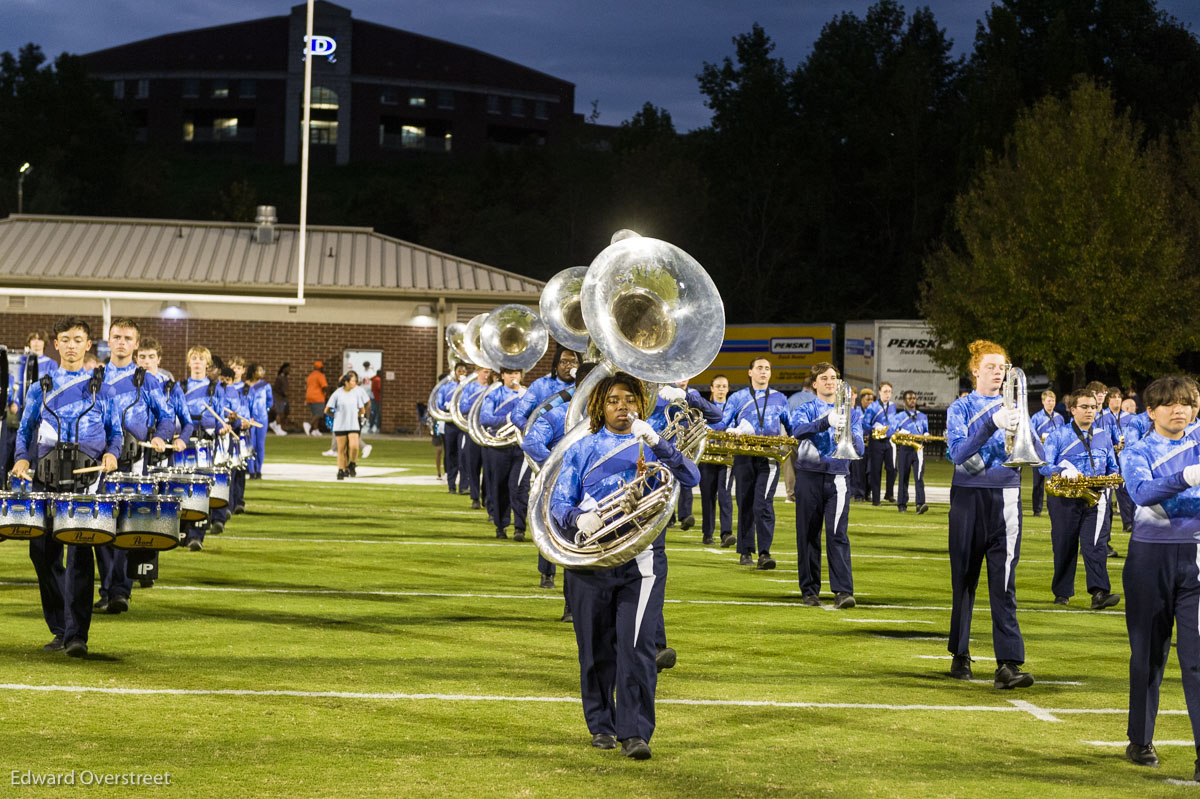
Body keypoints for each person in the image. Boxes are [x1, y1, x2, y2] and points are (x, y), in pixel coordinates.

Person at [550, 371, 699, 760]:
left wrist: (657, 443)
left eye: (630, 399)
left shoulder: (653, 443)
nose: (622, 406)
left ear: (641, 405)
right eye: (613, 400)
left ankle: (635, 733)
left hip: (641, 561)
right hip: (591, 561)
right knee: (595, 650)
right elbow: (558, 503)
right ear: (600, 405)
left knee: (637, 649)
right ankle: (601, 724)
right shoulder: (582, 447)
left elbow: (691, 476)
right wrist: (577, 519)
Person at [10, 317, 121, 658]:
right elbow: (25, 431)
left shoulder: (102, 388)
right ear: (55, 344)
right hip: (45, 477)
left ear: (89, 345)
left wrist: (112, 454)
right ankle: (60, 626)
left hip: (85, 479)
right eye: (65, 340)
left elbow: (115, 433)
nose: (71, 345)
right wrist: (22, 458)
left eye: (78, 340)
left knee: (80, 555)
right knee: (41, 553)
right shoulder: (39, 387)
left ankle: (76, 635)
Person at [944, 340, 1037, 689]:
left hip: (1007, 499)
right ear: (975, 371)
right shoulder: (961, 408)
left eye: (1003, 367)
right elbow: (957, 454)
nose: (999, 372)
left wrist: (1064, 469)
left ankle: (1008, 663)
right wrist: (991, 424)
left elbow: (1034, 450)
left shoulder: (1014, 406)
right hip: (968, 500)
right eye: (991, 367)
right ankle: (960, 653)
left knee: (1004, 584)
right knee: (964, 580)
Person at [1119, 375, 1200, 778]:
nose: (1179, 409)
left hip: (1197, 557)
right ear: (1150, 411)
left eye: (1186, 402)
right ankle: (1140, 738)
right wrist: (1185, 479)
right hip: (1150, 559)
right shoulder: (1137, 449)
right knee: (1148, 656)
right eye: (1169, 403)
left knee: (1198, 659)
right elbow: (1141, 491)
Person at [95, 318, 174, 615]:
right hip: (99, 462)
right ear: (109, 340)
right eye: (116, 337)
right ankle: (108, 588)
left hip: (134, 460)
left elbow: (166, 417)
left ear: (136, 344)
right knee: (99, 527)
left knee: (125, 526)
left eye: (128, 338)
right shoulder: (95, 377)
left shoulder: (148, 380)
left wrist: (160, 436)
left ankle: (120, 591)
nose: (121, 342)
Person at [789, 362, 864, 608]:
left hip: (839, 477)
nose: (829, 382)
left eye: (833, 377)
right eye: (824, 378)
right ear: (815, 383)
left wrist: (848, 430)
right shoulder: (807, 407)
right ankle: (809, 590)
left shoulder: (852, 411)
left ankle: (843, 591)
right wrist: (825, 422)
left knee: (837, 534)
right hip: (809, 476)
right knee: (808, 534)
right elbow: (797, 431)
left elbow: (860, 448)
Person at [1038, 389, 1121, 609]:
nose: (1090, 411)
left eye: (1093, 407)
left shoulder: (1103, 434)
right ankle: (1062, 592)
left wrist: (1113, 475)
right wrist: (1060, 471)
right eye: (1084, 407)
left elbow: (1112, 464)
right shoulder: (1058, 435)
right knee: (1064, 544)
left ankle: (1100, 593)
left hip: (1096, 496)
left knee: (1095, 545)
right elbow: (1043, 466)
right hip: (1065, 497)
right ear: (1072, 409)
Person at [717, 357, 792, 567]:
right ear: (750, 372)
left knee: (764, 504)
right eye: (759, 368)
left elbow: (791, 424)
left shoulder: (780, 398)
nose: (763, 372)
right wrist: (731, 430)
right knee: (745, 503)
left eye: (767, 369)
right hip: (743, 455)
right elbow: (723, 423)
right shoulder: (738, 397)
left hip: (769, 456)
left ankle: (765, 553)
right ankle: (746, 551)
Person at [180, 346, 232, 550]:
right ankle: (182, 531)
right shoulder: (180, 387)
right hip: (184, 443)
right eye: (194, 358)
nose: (197, 362)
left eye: (201, 359)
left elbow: (220, 417)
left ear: (207, 364)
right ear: (188, 362)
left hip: (205, 444)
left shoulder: (215, 389)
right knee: (182, 487)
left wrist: (222, 427)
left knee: (199, 490)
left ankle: (196, 535)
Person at [480, 366, 528, 540]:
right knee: (499, 487)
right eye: (509, 373)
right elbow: (484, 419)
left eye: (516, 373)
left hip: (521, 447)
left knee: (519, 488)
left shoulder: (528, 395)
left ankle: (520, 528)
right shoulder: (494, 395)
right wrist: (507, 419)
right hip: (499, 446)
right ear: (502, 376)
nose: (513, 376)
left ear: (521, 375)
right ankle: (500, 526)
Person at [697, 375, 734, 546]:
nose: (721, 389)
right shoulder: (706, 408)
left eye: (724, 386)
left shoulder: (732, 407)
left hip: (726, 457)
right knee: (707, 496)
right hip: (707, 457)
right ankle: (707, 533)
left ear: (727, 389)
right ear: (711, 388)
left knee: (725, 496)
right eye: (718, 386)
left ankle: (726, 533)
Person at [511, 346, 579, 433]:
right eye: (564, 362)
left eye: (574, 362)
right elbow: (517, 414)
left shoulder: (583, 388)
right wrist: (532, 431)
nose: (569, 366)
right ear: (556, 366)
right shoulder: (540, 385)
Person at [458, 366, 493, 511]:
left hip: (487, 432)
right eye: (485, 371)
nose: (487, 374)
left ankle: (485, 495)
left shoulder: (493, 388)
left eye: (489, 372)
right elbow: (463, 408)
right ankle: (474, 497)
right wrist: (479, 403)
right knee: (473, 465)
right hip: (472, 430)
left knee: (488, 466)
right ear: (478, 372)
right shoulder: (470, 388)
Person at [891, 390, 931, 514]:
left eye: (914, 398)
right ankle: (902, 504)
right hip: (905, 449)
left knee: (919, 477)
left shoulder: (923, 416)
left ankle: (920, 504)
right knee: (903, 477)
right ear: (904, 401)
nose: (912, 400)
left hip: (918, 448)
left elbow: (925, 430)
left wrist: (926, 435)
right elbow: (893, 433)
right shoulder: (899, 417)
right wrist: (900, 432)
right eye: (909, 398)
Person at [325, 370, 368, 480]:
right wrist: (336, 417)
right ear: (346, 382)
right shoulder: (337, 393)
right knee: (342, 449)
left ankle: (352, 464)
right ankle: (341, 470)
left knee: (354, 446)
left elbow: (362, 409)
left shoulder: (356, 393)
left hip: (353, 424)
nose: (355, 383)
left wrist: (357, 416)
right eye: (353, 381)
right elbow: (327, 409)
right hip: (340, 425)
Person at [437, 362, 471, 494]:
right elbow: (439, 404)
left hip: (463, 424)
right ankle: (451, 485)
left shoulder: (468, 387)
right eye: (459, 371)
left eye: (464, 371)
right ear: (454, 372)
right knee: (451, 454)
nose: (462, 373)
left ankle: (463, 486)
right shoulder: (446, 387)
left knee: (464, 454)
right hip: (450, 424)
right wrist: (445, 405)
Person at [1029, 390, 1063, 517]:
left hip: (1054, 455)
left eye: (1053, 401)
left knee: (1053, 482)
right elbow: (1030, 435)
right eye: (1049, 401)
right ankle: (1037, 509)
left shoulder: (1059, 417)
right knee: (1037, 483)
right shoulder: (1036, 417)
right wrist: (1041, 437)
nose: (1051, 403)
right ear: (1043, 402)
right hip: (1039, 454)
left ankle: (1053, 508)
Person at [865, 382, 897, 505]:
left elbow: (893, 421)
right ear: (879, 392)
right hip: (876, 441)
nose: (887, 394)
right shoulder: (872, 407)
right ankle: (876, 499)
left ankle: (889, 494)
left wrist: (891, 430)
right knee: (875, 470)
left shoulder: (893, 406)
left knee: (892, 469)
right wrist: (873, 431)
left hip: (888, 440)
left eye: (889, 391)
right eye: (885, 391)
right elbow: (865, 423)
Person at [247, 363, 273, 478]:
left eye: (263, 370)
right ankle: (251, 470)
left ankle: (259, 469)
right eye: (259, 370)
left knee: (260, 445)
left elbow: (270, 401)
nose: (262, 373)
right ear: (253, 372)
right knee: (250, 444)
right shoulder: (246, 386)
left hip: (262, 418)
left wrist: (265, 410)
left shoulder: (266, 386)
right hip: (249, 419)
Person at [849, 388, 875, 501]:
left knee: (870, 471)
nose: (870, 402)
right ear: (862, 400)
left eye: (872, 400)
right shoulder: (857, 411)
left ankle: (868, 492)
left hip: (872, 444)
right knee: (858, 471)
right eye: (867, 399)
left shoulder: (874, 412)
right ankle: (859, 494)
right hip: (859, 444)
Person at [304, 361, 328, 436]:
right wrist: (328, 394)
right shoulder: (320, 375)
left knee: (314, 413)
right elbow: (324, 386)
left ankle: (315, 430)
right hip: (318, 397)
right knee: (319, 414)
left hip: (309, 396)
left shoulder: (310, 375)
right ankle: (309, 425)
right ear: (320, 368)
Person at [271, 363, 290, 435]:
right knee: (279, 413)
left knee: (286, 412)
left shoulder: (285, 378)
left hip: (284, 399)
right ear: (284, 369)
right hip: (279, 398)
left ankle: (274, 423)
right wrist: (283, 393)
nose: (289, 370)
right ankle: (278, 428)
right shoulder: (280, 378)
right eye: (288, 368)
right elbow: (276, 388)